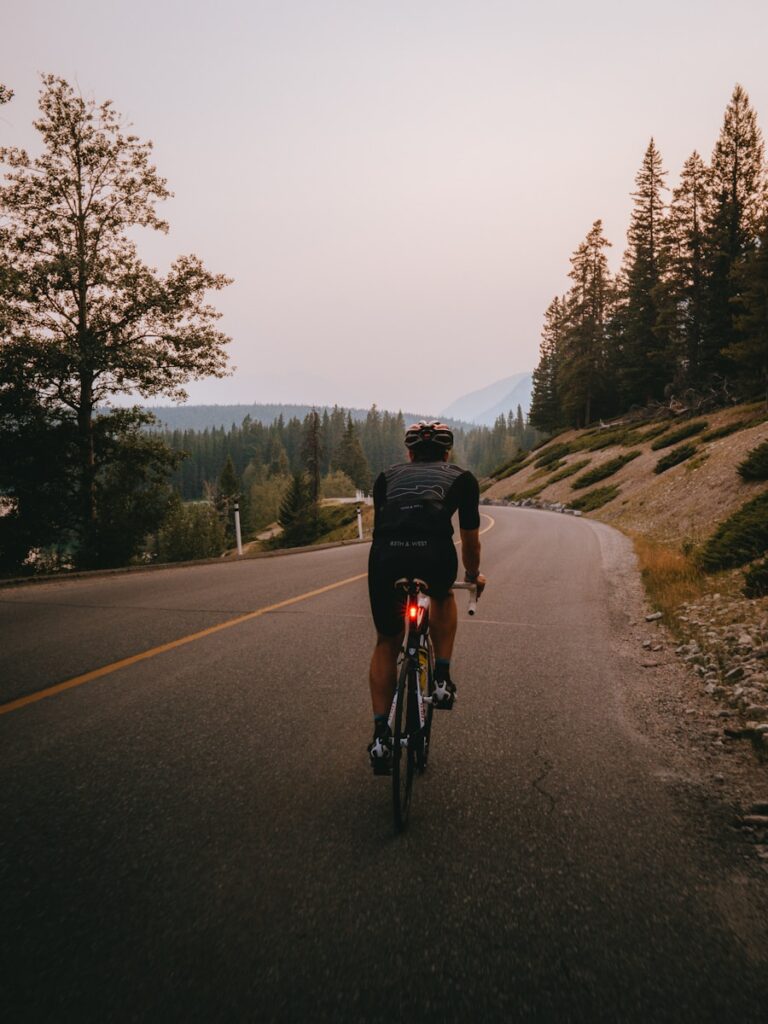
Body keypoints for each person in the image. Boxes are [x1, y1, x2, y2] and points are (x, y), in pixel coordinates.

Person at [366, 421, 487, 772]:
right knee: (443, 595)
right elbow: (470, 538)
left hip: (386, 557)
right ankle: (442, 680)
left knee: (387, 641)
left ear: (409, 453)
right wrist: (471, 576)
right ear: (447, 453)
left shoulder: (386, 476)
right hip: (434, 553)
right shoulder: (461, 478)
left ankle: (380, 737)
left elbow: (384, 524)